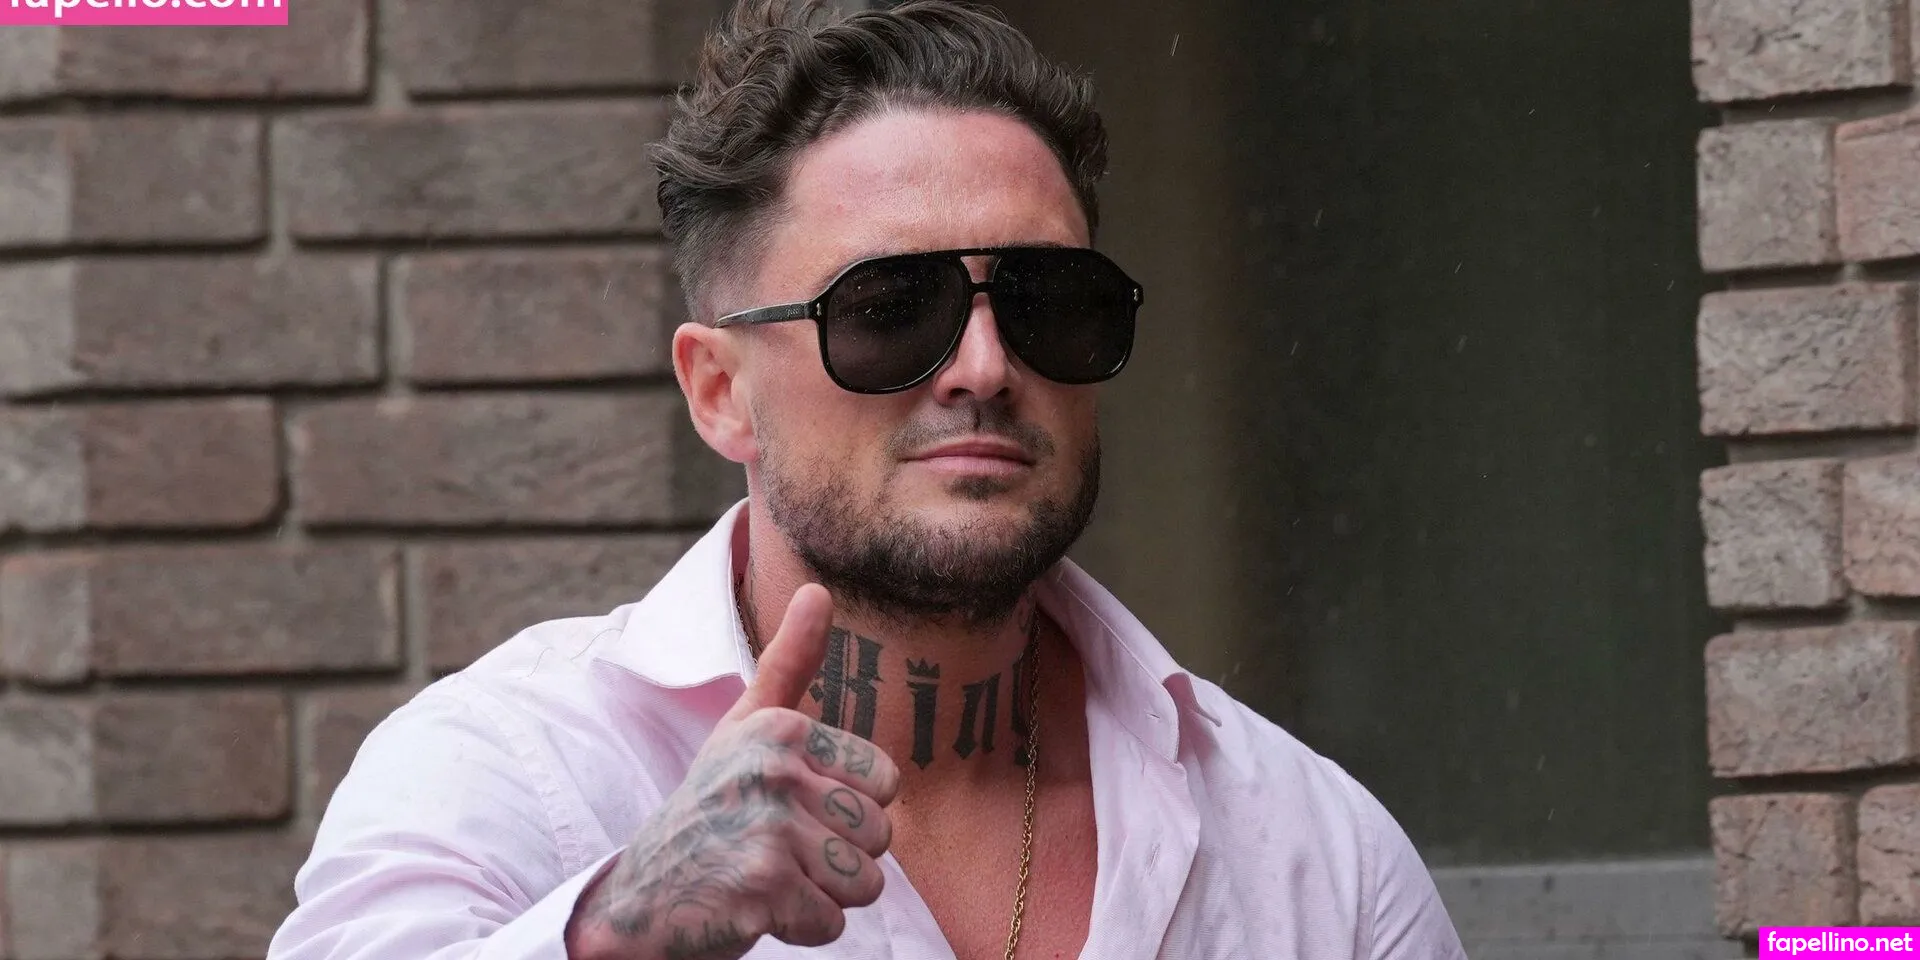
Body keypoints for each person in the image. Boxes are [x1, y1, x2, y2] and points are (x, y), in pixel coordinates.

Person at [266, 1, 1468, 958]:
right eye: (891, 309)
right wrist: (616, 932)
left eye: (1051, 303)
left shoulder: (1312, 852)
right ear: (719, 390)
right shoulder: (512, 777)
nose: (985, 368)